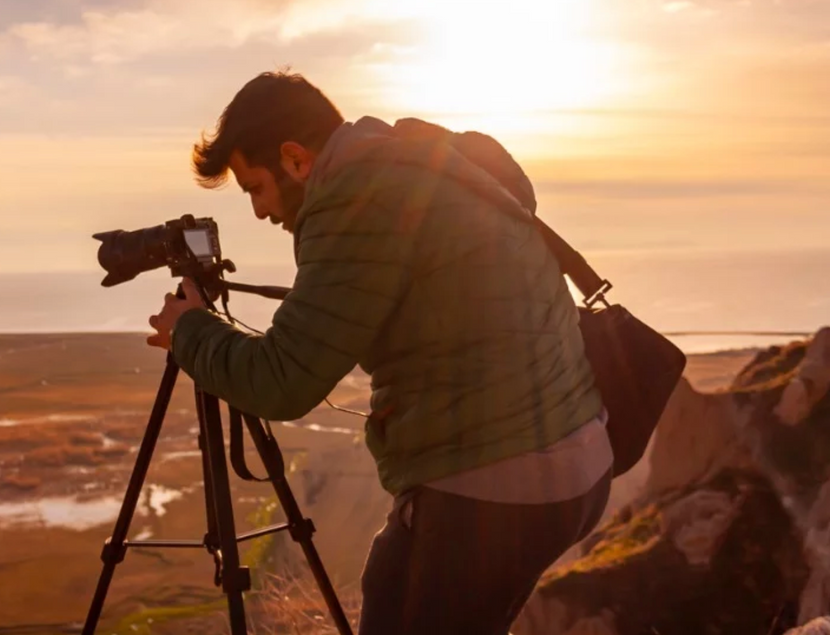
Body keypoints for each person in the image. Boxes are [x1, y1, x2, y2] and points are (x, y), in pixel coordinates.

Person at [146, 71, 613, 635]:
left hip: (498, 480)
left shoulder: (358, 199)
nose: (260, 213)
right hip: (568, 453)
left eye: (255, 188)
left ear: (295, 159)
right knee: (387, 585)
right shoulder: (411, 167)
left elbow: (282, 380)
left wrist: (191, 330)